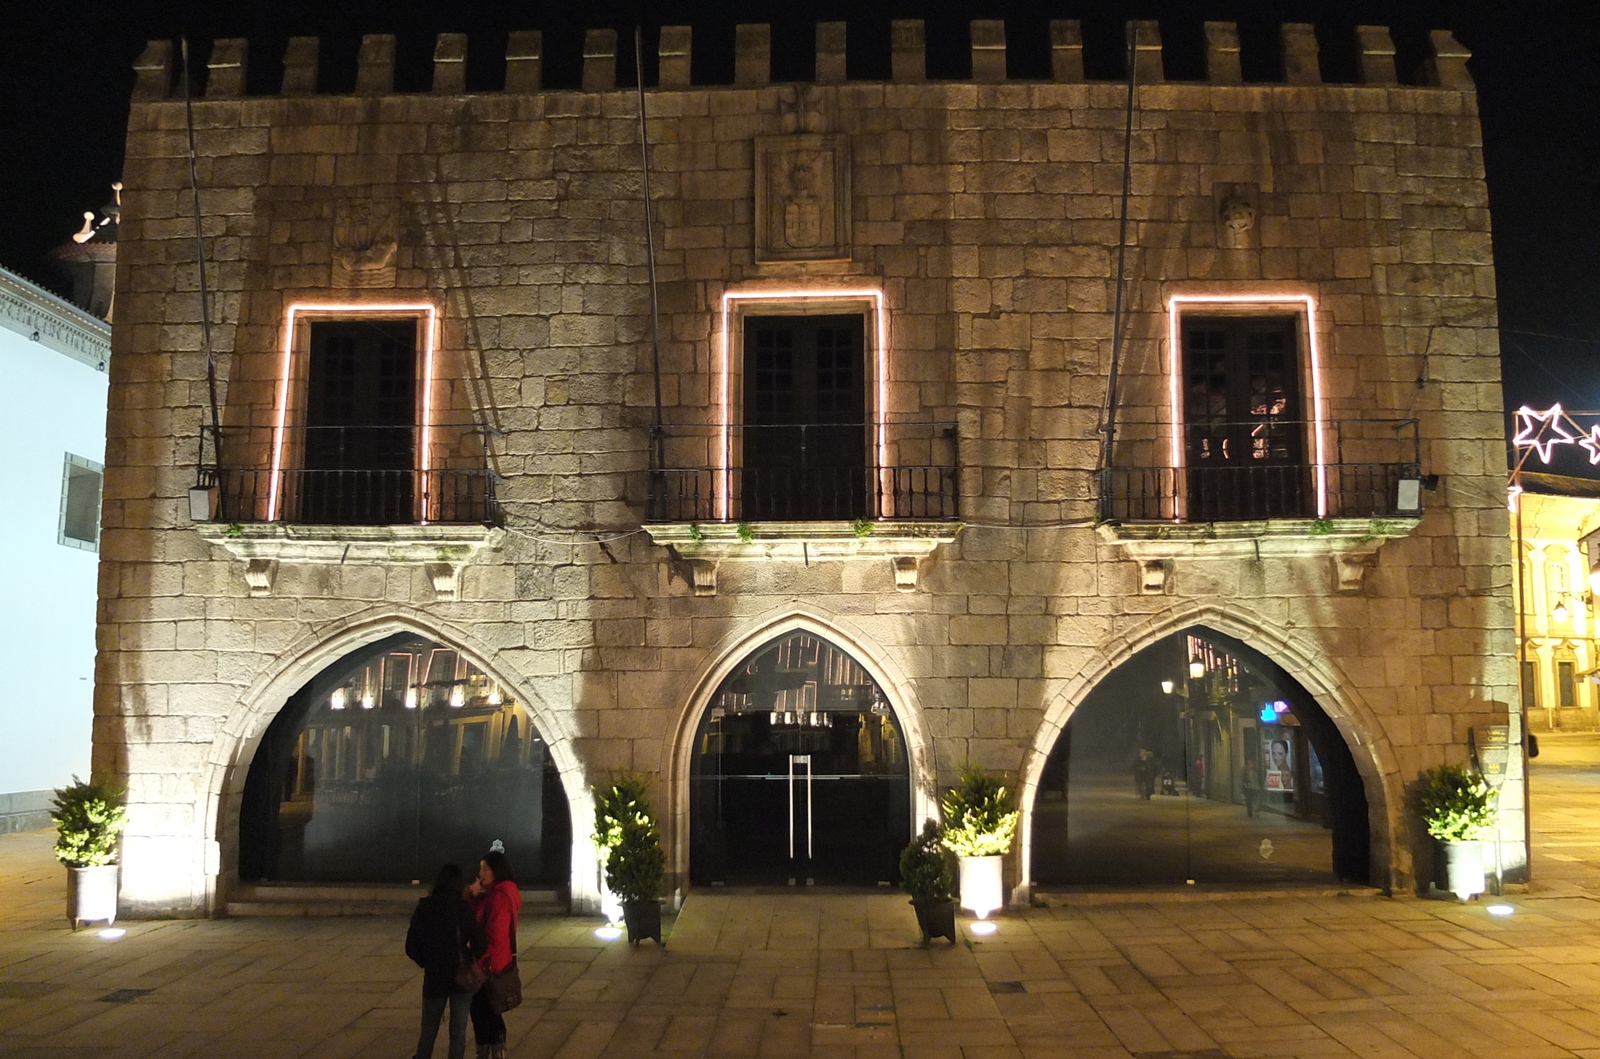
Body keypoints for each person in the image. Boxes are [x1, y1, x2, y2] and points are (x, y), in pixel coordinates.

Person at [405, 864, 486, 1059]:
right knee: (458, 1032)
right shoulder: (463, 907)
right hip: (461, 976)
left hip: (434, 977)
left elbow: (411, 946)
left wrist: (428, 961)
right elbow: (481, 943)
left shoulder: (425, 907)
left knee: (428, 1031)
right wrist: (468, 955)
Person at [467, 848, 522, 1059]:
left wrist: (477, 959)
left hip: (490, 961)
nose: (481, 873)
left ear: (497, 871)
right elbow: (471, 913)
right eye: (481, 868)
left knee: (483, 1007)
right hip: (495, 958)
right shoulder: (493, 893)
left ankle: (492, 1048)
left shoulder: (498, 896)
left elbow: (494, 935)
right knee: (486, 1006)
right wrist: (472, 894)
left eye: (485, 869)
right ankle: (493, 1047)